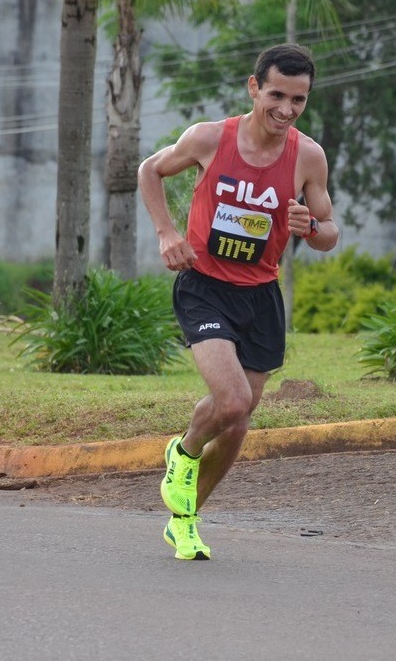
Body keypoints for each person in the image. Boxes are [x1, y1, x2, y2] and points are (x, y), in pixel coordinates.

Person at [137, 43, 340, 560]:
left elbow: (330, 232)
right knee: (232, 401)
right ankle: (182, 453)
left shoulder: (308, 156)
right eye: (277, 95)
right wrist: (165, 233)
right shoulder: (209, 138)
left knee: (240, 419)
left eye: (299, 100)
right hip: (204, 287)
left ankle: (185, 519)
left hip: (261, 296)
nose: (287, 109)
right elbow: (150, 170)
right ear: (254, 88)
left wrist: (310, 227)